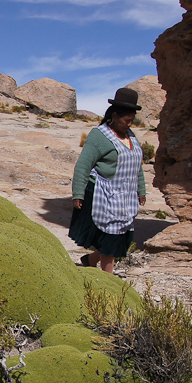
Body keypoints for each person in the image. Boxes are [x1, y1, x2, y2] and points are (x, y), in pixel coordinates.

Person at [69, 87, 146, 274]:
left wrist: (141, 189)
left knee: (119, 238)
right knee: (110, 239)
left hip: (125, 198)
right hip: (105, 196)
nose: (129, 124)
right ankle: (107, 282)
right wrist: (78, 193)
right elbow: (83, 166)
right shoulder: (99, 136)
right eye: (127, 120)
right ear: (114, 115)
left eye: (132, 121)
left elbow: (137, 165)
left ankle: (89, 260)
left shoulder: (131, 136)